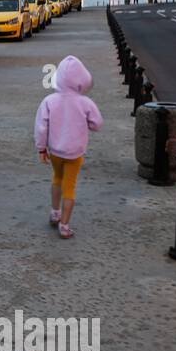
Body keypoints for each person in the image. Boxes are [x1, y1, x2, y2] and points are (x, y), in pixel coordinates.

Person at [34, 55, 103, 240]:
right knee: (70, 187)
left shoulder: (49, 101)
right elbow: (97, 124)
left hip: (55, 151)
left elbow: (41, 126)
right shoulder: (85, 102)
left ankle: (54, 212)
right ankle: (64, 225)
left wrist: (41, 148)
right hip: (75, 153)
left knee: (57, 178)